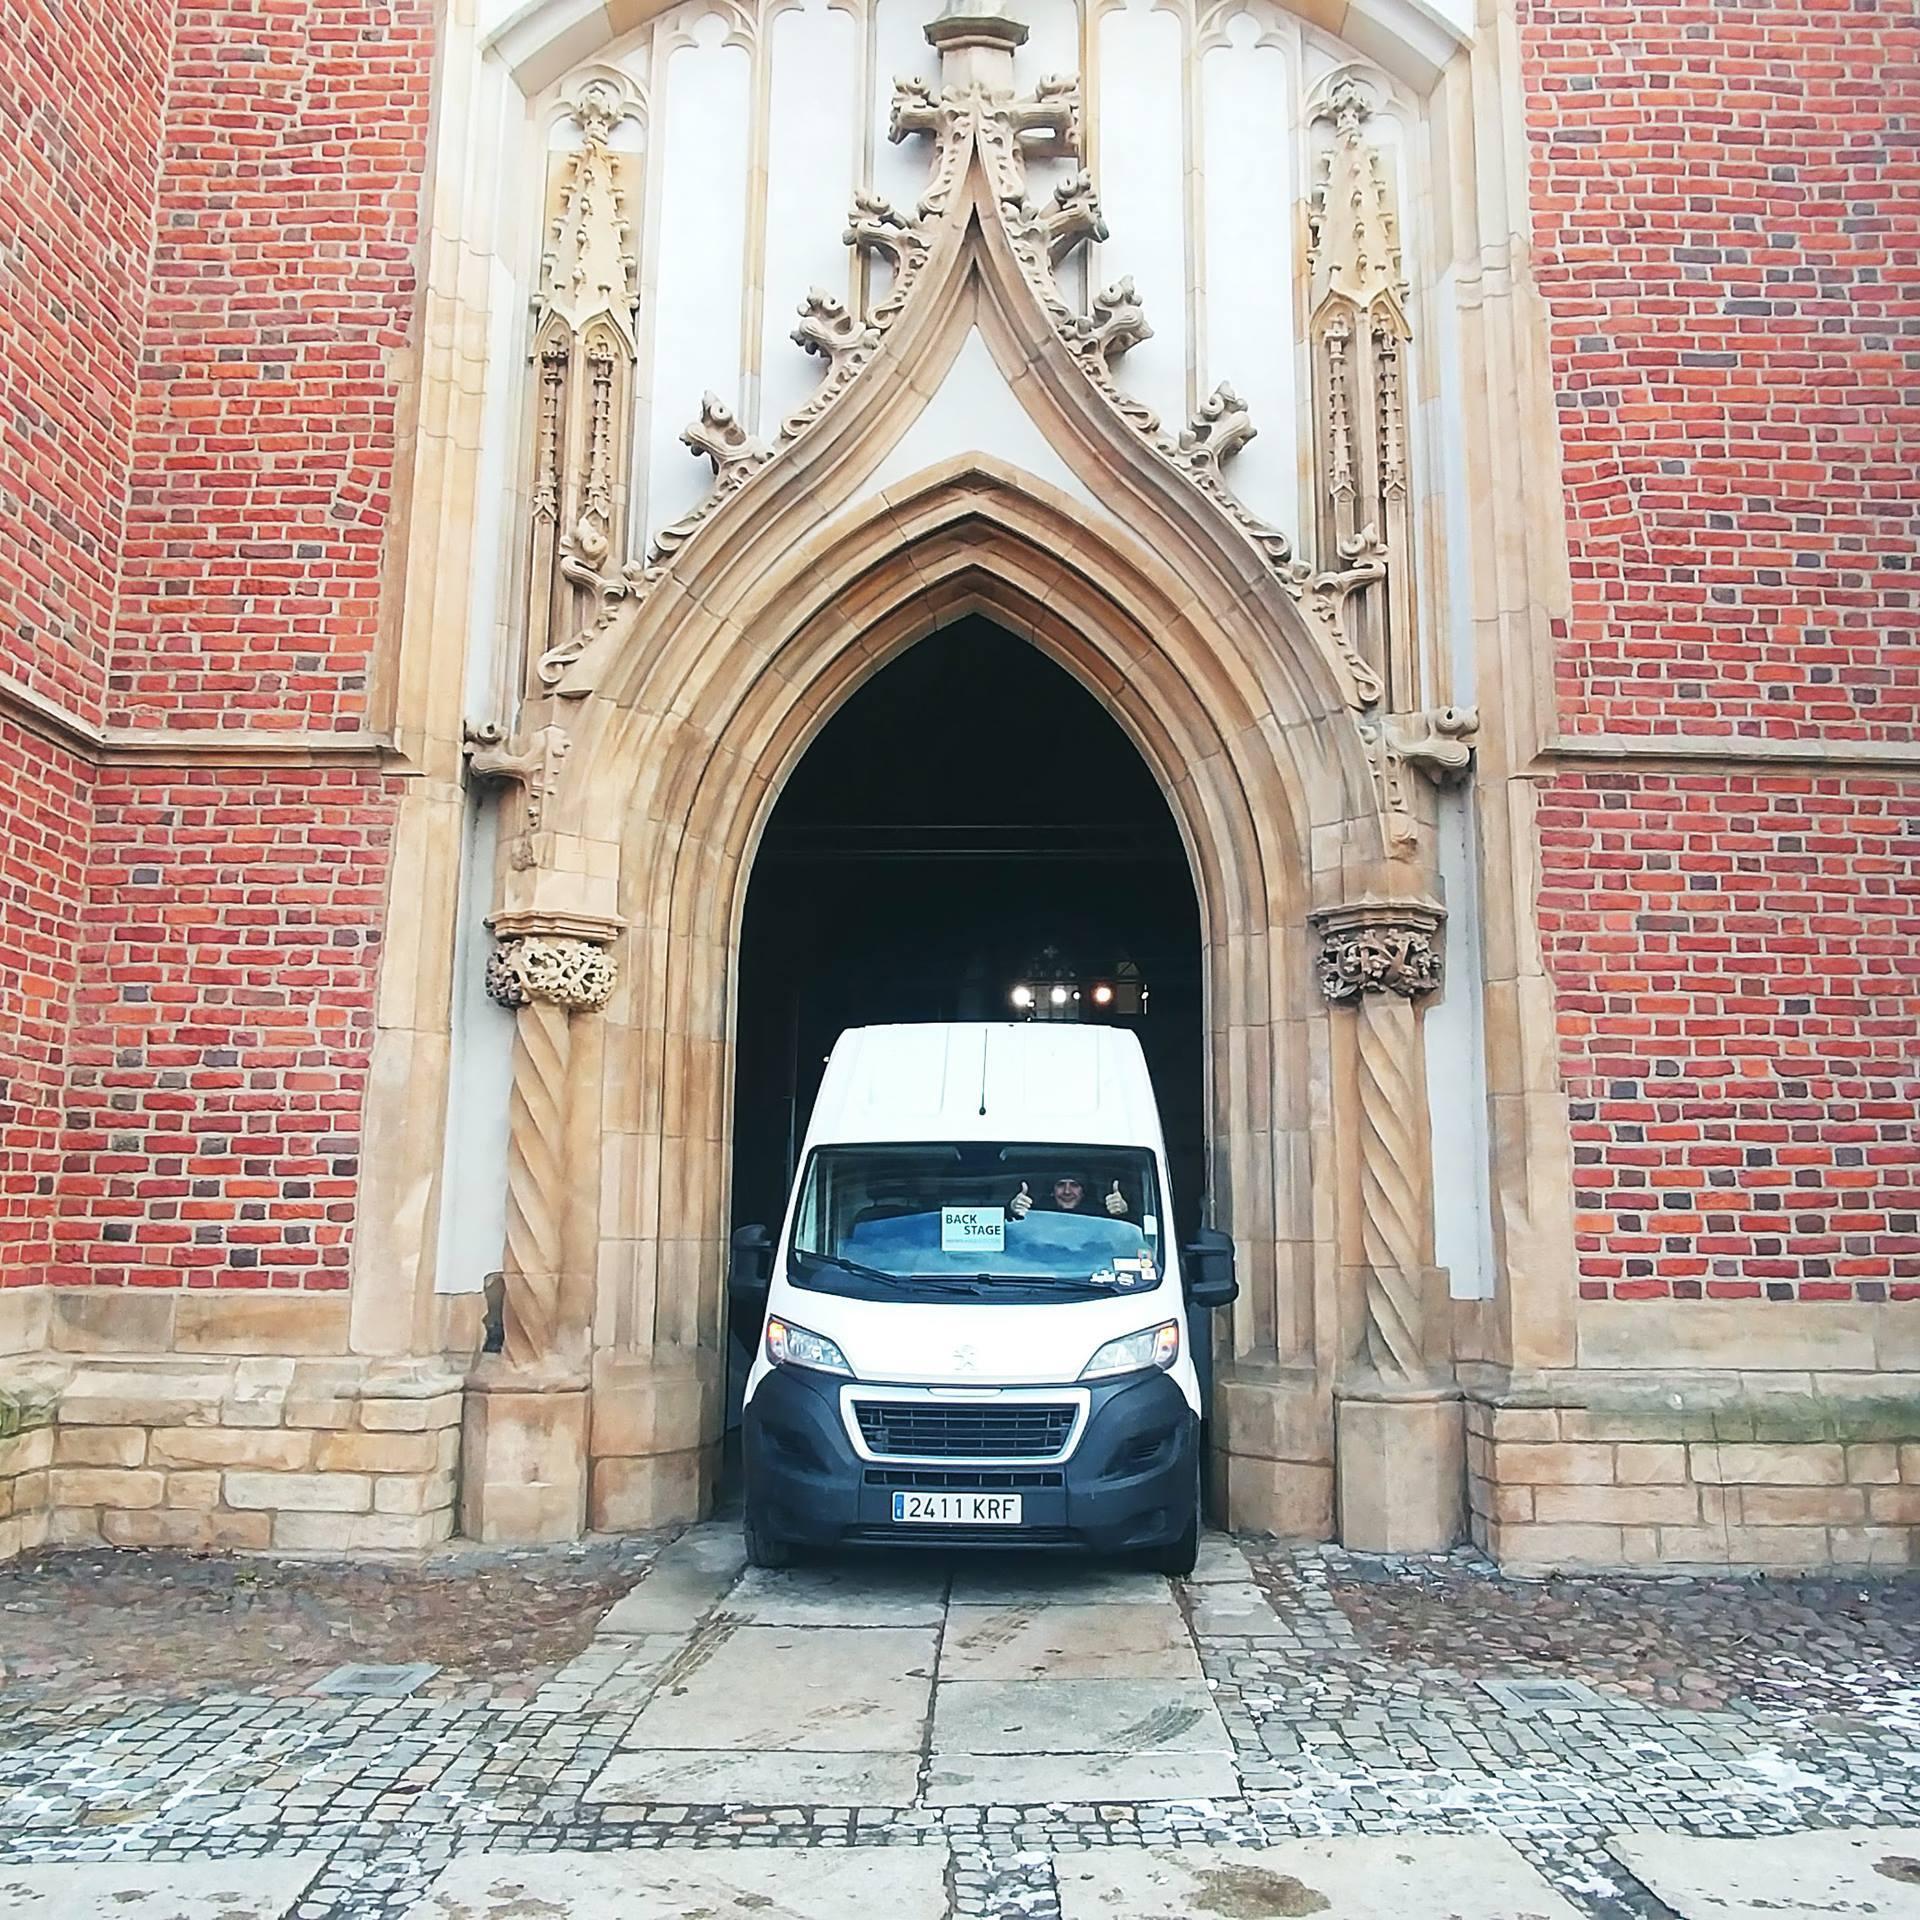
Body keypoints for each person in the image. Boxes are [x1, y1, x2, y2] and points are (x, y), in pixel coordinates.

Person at [1008, 1173, 1128, 1219]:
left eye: (1074, 1185)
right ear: (1052, 1191)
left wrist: (1123, 1213)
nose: (1067, 1191)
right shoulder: (1036, 1213)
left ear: (1084, 1191)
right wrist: (1012, 1211)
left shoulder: (1100, 1215)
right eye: (1061, 1185)